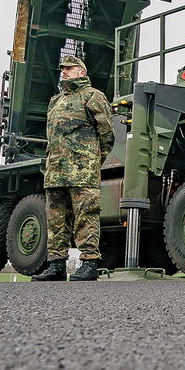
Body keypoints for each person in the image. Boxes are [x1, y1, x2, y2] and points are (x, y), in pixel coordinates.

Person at [31, 55, 114, 281]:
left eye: (70, 68)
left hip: (82, 171)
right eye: (63, 69)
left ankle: (89, 263)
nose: (64, 72)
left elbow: (107, 135)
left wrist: (91, 161)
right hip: (56, 171)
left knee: (86, 216)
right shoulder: (55, 100)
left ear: (82, 72)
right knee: (56, 220)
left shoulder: (93, 96)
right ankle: (56, 264)